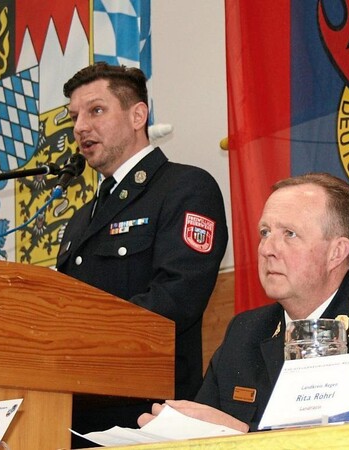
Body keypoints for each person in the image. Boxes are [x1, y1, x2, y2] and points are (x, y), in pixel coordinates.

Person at [138, 173, 349, 432]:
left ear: (336, 252)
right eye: (264, 232)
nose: (267, 248)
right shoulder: (245, 332)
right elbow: (201, 427)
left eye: (289, 234)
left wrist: (243, 435)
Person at [55, 62, 228, 440]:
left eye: (96, 110)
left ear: (138, 115)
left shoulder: (185, 188)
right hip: (73, 416)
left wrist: (81, 341)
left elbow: (176, 297)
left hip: (147, 417)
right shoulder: (81, 220)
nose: (80, 127)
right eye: (74, 116)